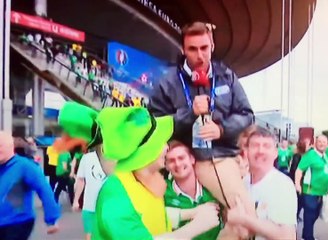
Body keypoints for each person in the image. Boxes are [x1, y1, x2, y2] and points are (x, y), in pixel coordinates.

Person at [53, 102, 219, 239]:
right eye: (160, 141)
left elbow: (151, 215)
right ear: (143, 155)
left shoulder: (139, 181)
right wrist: (196, 226)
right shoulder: (116, 196)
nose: (166, 147)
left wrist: (191, 213)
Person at [148, 21, 255, 225]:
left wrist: (221, 130)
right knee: (246, 219)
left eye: (204, 48)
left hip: (226, 155)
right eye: (192, 49)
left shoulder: (226, 76)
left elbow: (247, 115)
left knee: (239, 225)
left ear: (212, 46)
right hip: (194, 159)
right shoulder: (168, 82)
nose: (200, 55)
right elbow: (155, 125)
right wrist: (189, 114)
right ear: (183, 49)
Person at [227, 127, 297, 239]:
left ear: (275, 153)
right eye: (255, 145)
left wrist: (243, 219)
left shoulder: (282, 185)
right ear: (246, 151)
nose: (260, 151)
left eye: (266, 146)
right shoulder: (243, 182)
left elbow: (287, 236)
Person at [0, 131, 60, 239]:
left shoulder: (25, 166)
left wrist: (52, 218)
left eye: (1, 146)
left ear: (11, 146)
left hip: (17, 223)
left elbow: (44, 189)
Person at [164, 140, 222, 240]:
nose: (177, 164)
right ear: (166, 166)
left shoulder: (211, 186)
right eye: (171, 161)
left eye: (181, 158)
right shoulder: (163, 191)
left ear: (192, 159)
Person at [295, 135, 328, 240]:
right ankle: (308, 237)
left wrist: (327, 188)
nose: (322, 144)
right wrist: (297, 184)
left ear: (327, 144)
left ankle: (305, 234)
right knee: (310, 215)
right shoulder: (310, 155)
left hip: (321, 192)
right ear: (316, 143)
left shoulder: (325, 156)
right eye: (319, 141)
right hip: (310, 191)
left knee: (316, 214)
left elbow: (326, 172)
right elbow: (299, 170)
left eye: (324, 142)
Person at [72, 150, 107, 240]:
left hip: (109, 207)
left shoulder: (117, 158)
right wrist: (76, 200)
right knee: (90, 235)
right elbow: (80, 180)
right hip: (90, 206)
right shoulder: (87, 158)